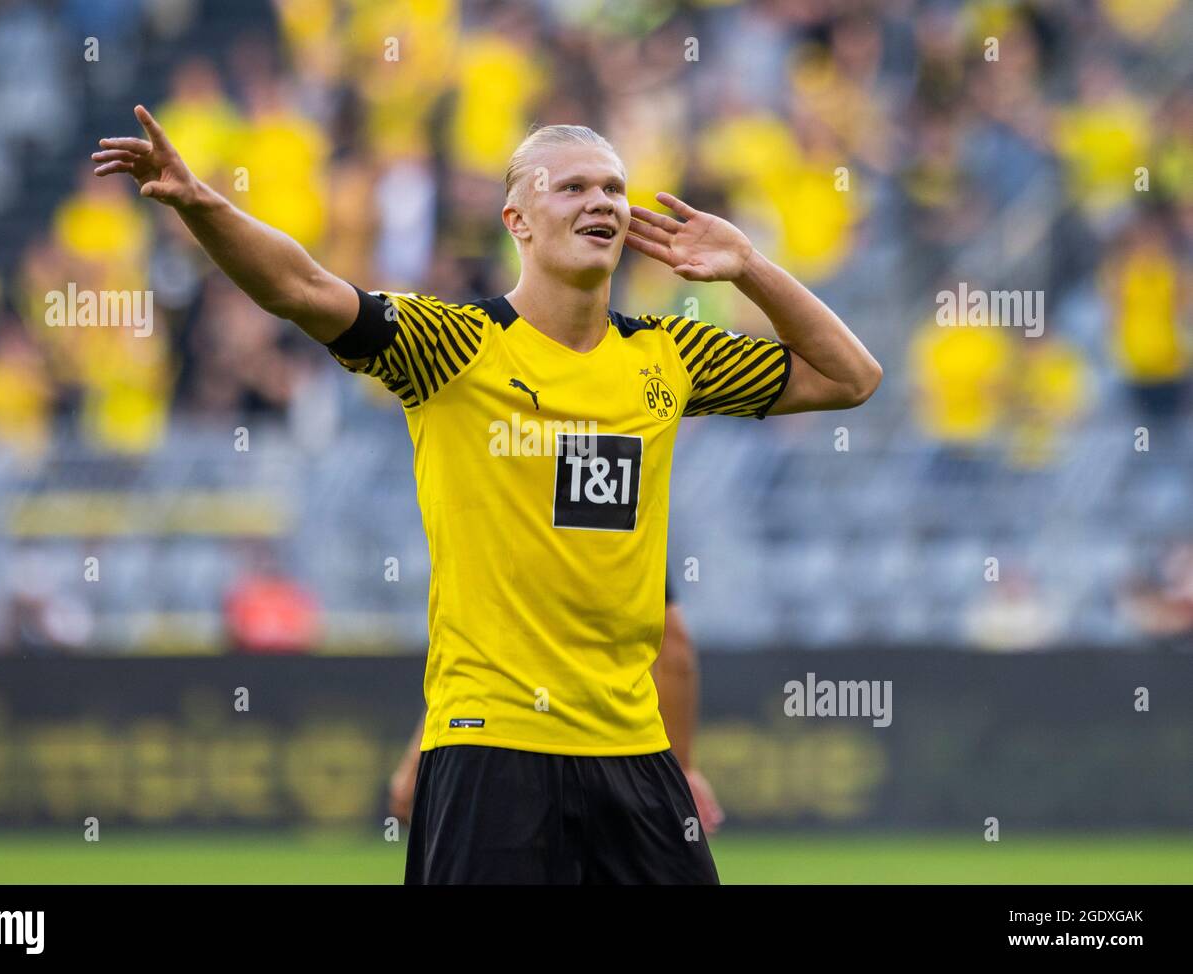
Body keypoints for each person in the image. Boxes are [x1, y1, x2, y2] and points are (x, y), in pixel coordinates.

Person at [93, 111, 881, 884]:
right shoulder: (454, 347)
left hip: (632, 753)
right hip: (490, 748)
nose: (600, 201)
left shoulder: (669, 354)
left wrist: (749, 266)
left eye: (613, 187)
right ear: (519, 220)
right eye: (571, 187)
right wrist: (202, 203)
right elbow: (301, 287)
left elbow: (851, 377)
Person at [388, 580, 725, 834]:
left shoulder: (495, 530)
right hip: (619, 753)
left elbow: (470, 663)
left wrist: (416, 761)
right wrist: (681, 769)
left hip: (496, 751)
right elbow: (675, 648)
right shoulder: (619, 529)